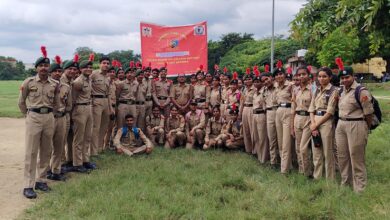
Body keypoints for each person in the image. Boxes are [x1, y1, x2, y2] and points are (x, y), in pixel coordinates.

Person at [18, 46, 58, 199]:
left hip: (48, 117)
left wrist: (51, 115)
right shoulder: (28, 82)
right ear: (36, 68)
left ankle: (41, 180)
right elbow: (21, 102)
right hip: (34, 117)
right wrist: (28, 115)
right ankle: (28, 185)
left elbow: (55, 102)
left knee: (47, 150)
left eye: (46, 65)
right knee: (32, 152)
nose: (44, 68)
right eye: (41, 65)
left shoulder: (54, 84)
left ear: (49, 67)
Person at [335, 59, 374, 192]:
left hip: (356, 124)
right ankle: (345, 182)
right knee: (342, 156)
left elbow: (369, 113)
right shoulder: (341, 91)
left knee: (356, 156)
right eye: (342, 77)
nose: (344, 80)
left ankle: (360, 187)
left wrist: (366, 127)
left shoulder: (360, 91)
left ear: (353, 77)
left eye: (347, 77)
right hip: (341, 124)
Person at [309, 67, 338, 180]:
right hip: (315, 120)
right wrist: (313, 124)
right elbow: (312, 108)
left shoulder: (333, 91)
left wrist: (316, 125)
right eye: (319, 76)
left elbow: (330, 112)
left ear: (330, 77)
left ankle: (330, 180)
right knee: (316, 151)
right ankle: (317, 177)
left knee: (328, 152)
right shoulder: (316, 90)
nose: (321, 78)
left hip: (326, 122)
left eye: (324, 76)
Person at [71, 55, 96, 173]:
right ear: (81, 69)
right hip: (79, 109)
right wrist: (73, 114)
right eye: (86, 67)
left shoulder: (89, 79)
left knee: (87, 136)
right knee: (79, 138)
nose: (89, 69)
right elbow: (73, 99)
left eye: (90, 67)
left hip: (88, 107)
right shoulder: (78, 82)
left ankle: (86, 160)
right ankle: (77, 163)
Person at [48, 56, 70, 181]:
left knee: (59, 145)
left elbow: (69, 104)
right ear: (50, 73)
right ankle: (45, 170)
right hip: (49, 118)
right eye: (55, 71)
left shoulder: (66, 87)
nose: (57, 73)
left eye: (59, 71)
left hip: (61, 118)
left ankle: (56, 171)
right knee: (46, 146)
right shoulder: (46, 85)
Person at [291, 66, 313, 177]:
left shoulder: (313, 89)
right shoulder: (296, 90)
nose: (301, 76)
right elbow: (293, 109)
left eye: (303, 74)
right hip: (297, 119)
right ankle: (301, 170)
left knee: (304, 148)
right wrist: (291, 126)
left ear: (308, 75)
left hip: (308, 119)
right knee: (298, 147)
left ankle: (308, 172)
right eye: (299, 75)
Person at [90, 55, 114, 156]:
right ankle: (92, 151)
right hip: (96, 101)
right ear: (100, 64)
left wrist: (111, 107)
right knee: (95, 127)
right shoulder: (94, 74)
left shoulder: (108, 77)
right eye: (104, 63)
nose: (106, 65)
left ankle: (99, 148)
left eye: (108, 63)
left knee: (103, 127)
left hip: (105, 102)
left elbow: (108, 94)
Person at [274, 60, 293, 174]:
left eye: (281, 74)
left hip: (288, 111)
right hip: (278, 111)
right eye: (277, 74)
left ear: (285, 75)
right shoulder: (276, 86)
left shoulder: (291, 85)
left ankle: (284, 170)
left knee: (286, 142)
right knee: (280, 141)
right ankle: (287, 165)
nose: (279, 76)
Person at [262, 65, 279, 169]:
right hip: (269, 114)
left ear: (272, 78)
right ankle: (273, 161)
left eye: (267, 79)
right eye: (263, 81)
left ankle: (287, 161)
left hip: (279, 111)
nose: (266, 82)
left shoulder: (279, 87)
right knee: (272, 138)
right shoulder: (265, 91)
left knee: (282, 140)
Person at [252, 71, 269, 163]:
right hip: (254, 114)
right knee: (257, 137)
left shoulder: (264, 92)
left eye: (258, 82)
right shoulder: (255, 92)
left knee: (263, 137)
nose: (256, 83)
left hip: (262, 114)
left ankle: (264, 158)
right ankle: (259, 156)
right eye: (254, 82)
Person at [240, 68, 255, 154]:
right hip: (245, 109)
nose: (247, 81)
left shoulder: (255, 88)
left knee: (252, 130)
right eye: (246, 79)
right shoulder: (244, 89)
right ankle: (248, 149)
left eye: (249, 79)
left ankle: (255, 150)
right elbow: (242, 101)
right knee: (246, 131)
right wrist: (240, 112)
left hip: (252, 109)